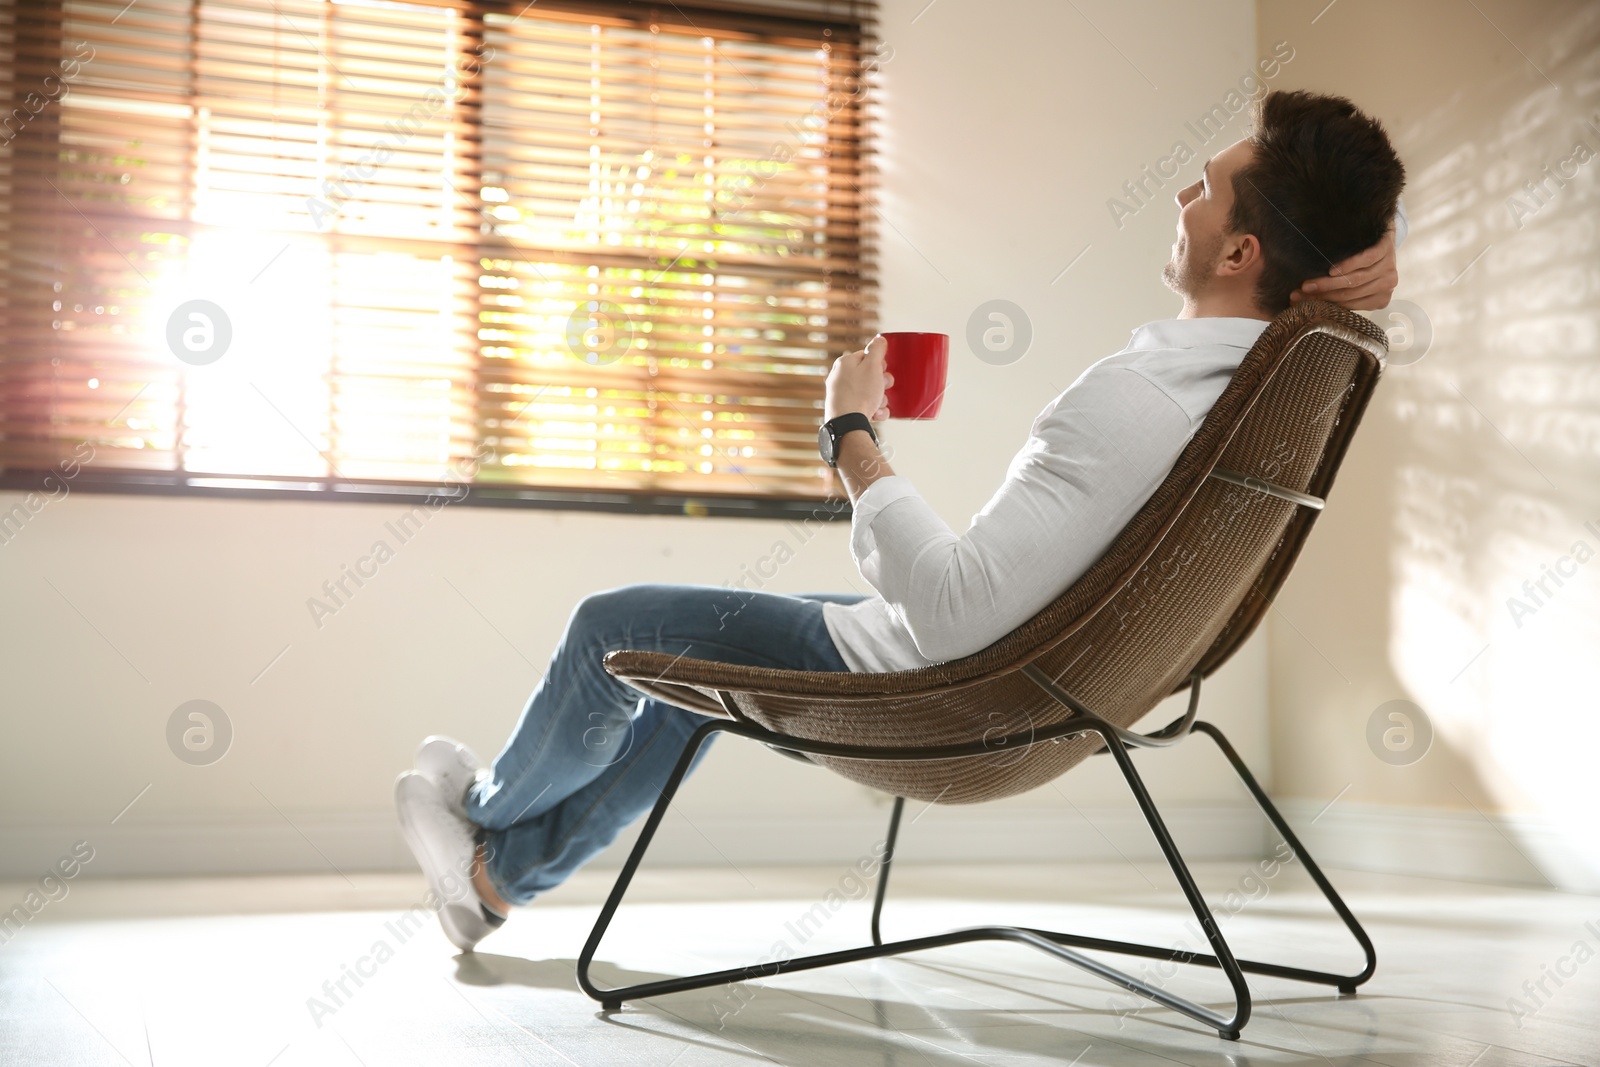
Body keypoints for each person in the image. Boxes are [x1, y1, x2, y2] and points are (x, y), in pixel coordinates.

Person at [395, 89, 1408, 951]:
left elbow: (957, 615)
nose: (1180, 193)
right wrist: (1373, 240)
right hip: (1036, 689)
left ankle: (475, 818)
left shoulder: (1135, 402)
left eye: (1205, 183)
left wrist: (851, 432)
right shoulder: (1272, 387)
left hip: (933, 690)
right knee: (683, 685)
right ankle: (494, 885)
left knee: (609, 626)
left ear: (1239, 248)